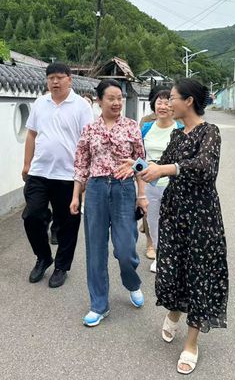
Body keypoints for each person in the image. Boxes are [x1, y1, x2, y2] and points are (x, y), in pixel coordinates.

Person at [118, 78, 228, 375]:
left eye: (174, 98)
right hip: (174, 213)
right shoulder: (178, 136)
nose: (168, 103)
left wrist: (167, 168)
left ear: (188, 101)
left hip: (201, 217)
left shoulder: (210, 132)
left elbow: (205, 167)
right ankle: (175, 311)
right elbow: (158, 166)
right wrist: (137, 166)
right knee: (174, 268)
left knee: (199, 274)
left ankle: (191, 343)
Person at [70, 79, 147, 327]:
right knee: (96, 249)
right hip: (96, 189)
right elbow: (81, 164)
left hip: (124, 189)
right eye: (111, 98)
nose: (116, 103)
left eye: (119, 98)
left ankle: (131, 282)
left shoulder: (132, 126)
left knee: (125, 248)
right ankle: (99, 304)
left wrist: (141, 195)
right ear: (99, 100)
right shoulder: (89, 129)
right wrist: (76, 195)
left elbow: (141, 162)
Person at [22, 62, 94, 288]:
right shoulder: (40, 103)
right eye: (51, 78)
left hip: (69, 176)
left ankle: (62, 266)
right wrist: (26, 164)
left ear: (69, 80)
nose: (55, 82)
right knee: (32, 216)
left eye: (60, 77)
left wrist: (85, 175)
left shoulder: (81, 106)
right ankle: (43, 257)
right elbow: (31, 135)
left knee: (68, 223)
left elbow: (88, 143)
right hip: (39, 172)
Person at [140, 88, 183, 273]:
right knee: (153, 222)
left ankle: (175, 258)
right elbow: (139, 156)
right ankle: (160, 256)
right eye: (159, 102)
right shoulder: (146, 128)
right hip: (150, 185)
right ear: (154, 105)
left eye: (167, 102)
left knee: (174, 223)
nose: (163, 106)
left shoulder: (180, 129)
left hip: (173, 186)